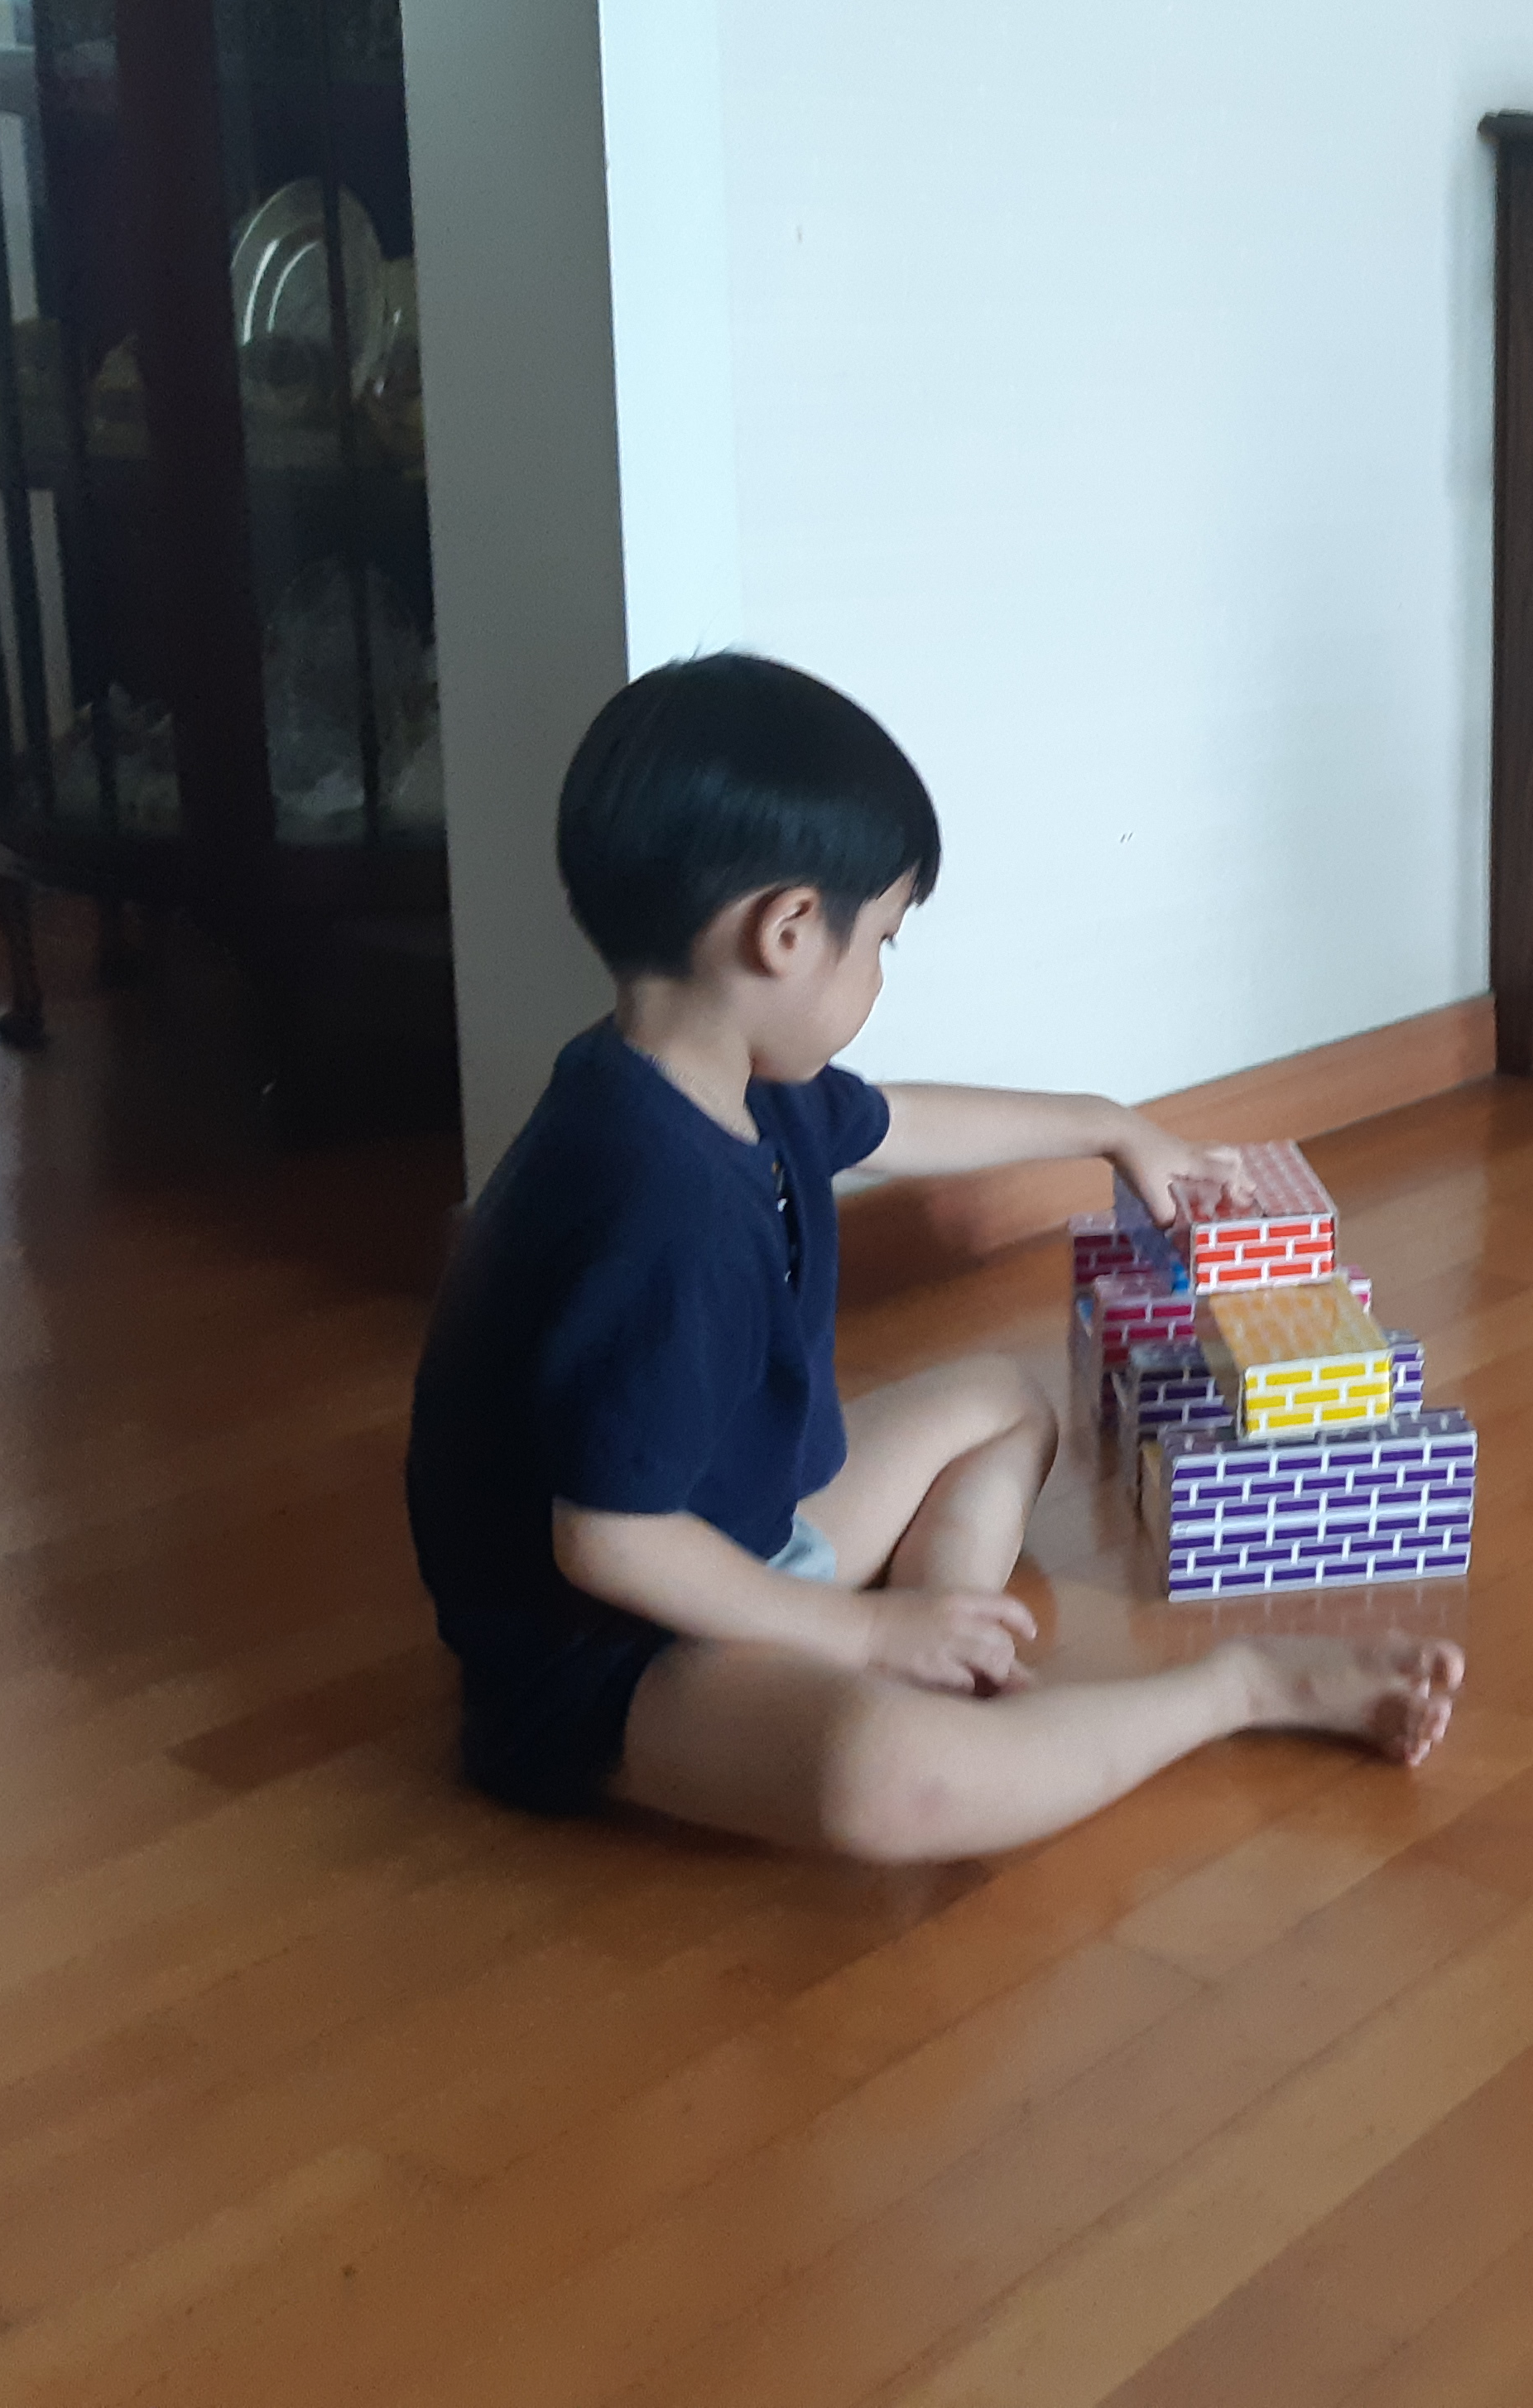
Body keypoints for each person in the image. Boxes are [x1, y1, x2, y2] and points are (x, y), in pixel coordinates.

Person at [404, 653, 1463, 1861]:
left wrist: (1113, 1128)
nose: (879, 974)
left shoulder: (710, 1075)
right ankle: (1238, 1689)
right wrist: (854, 1639)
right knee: (886, 1777)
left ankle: (941, 1630)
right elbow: (609, 1540)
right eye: (883, 942)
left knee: (1002, 1400)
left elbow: (905, 1123)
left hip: (745, 1538)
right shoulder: (658, 1211)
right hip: (606, 1652)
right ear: (787, 931)